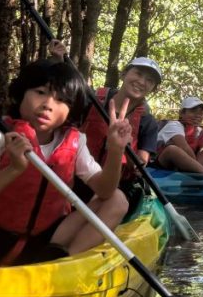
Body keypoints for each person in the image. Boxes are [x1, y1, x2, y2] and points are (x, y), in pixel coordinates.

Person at [0, 59, 132, 270]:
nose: (48, 105)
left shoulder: (76, 142)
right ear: (22, 94)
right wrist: (13, 170)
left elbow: (105, 190)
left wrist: (115, 150)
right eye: (40, 92)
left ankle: (63, 265)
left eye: (61, 100)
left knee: (117, 200)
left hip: (44, 241)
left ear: (71, 110)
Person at [49, 42, 161, 205]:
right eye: (138, 73)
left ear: (153, 88)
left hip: (116, 185)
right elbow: (60, 96)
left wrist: (125, 147)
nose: (142, 82)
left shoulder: (147, 122)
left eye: (149, 80)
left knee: (110, 199)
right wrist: (59, 61)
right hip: (78, 174)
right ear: (124, 74)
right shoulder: (92, 99)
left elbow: (140, 166)